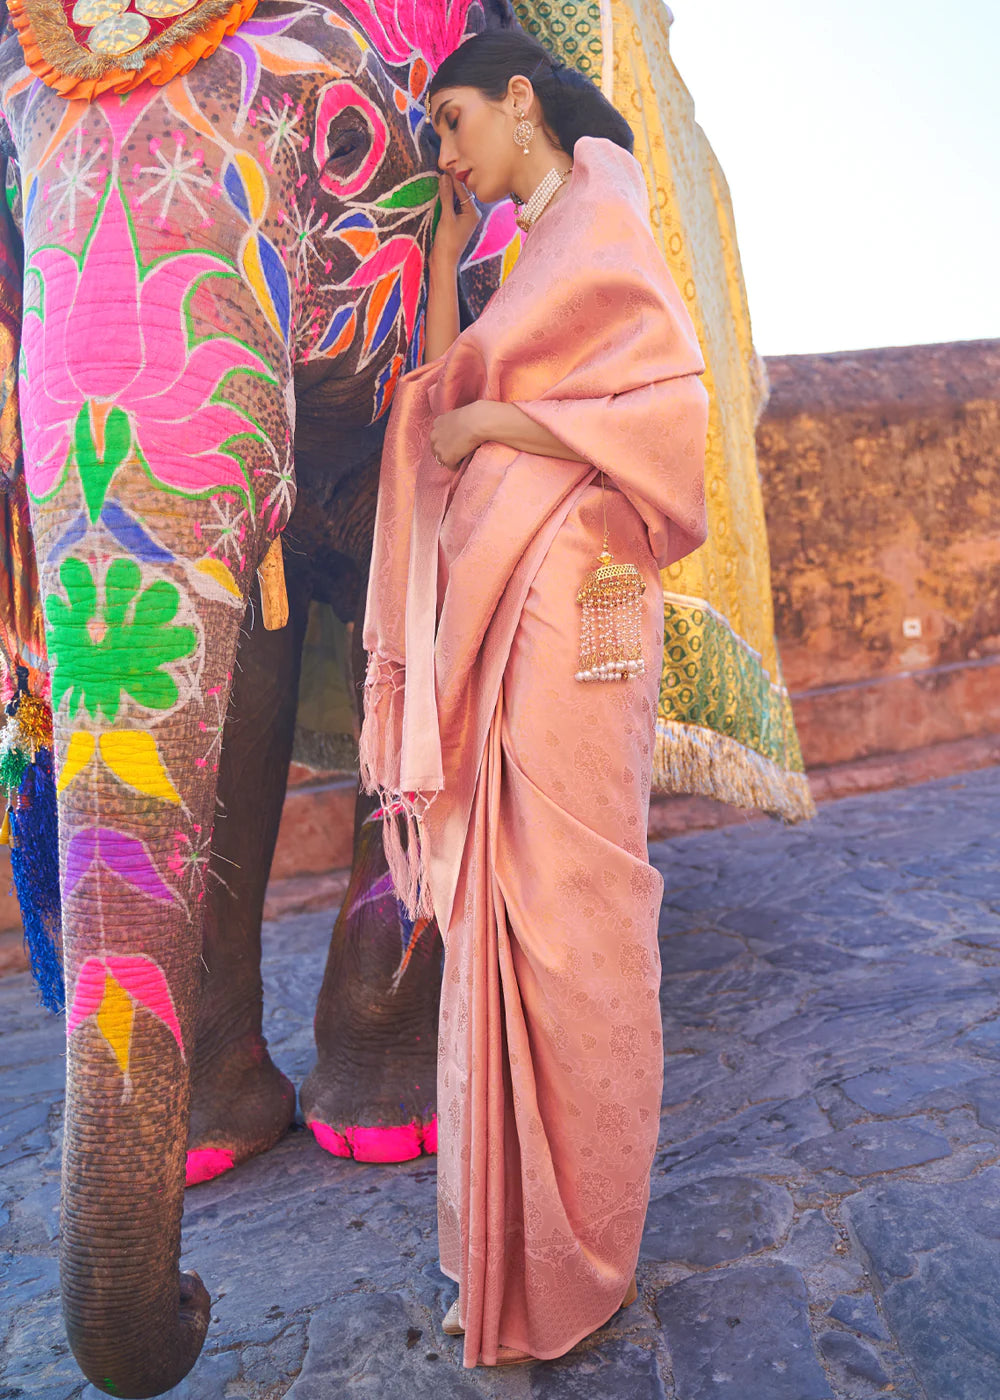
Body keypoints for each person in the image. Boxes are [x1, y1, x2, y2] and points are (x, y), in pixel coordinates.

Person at [359, 29, 709, 1368]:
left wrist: (500, 430)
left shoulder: (603, 212)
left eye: (452, 122)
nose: (445, 154)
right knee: (506, 906)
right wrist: (447, 269)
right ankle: (510, 1243)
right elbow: (444, 395)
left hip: (578, 592)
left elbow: (661, 420)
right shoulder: (529, 252)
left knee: (575, 907)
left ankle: (578, 1248)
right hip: (509, 588)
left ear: (521, 98)